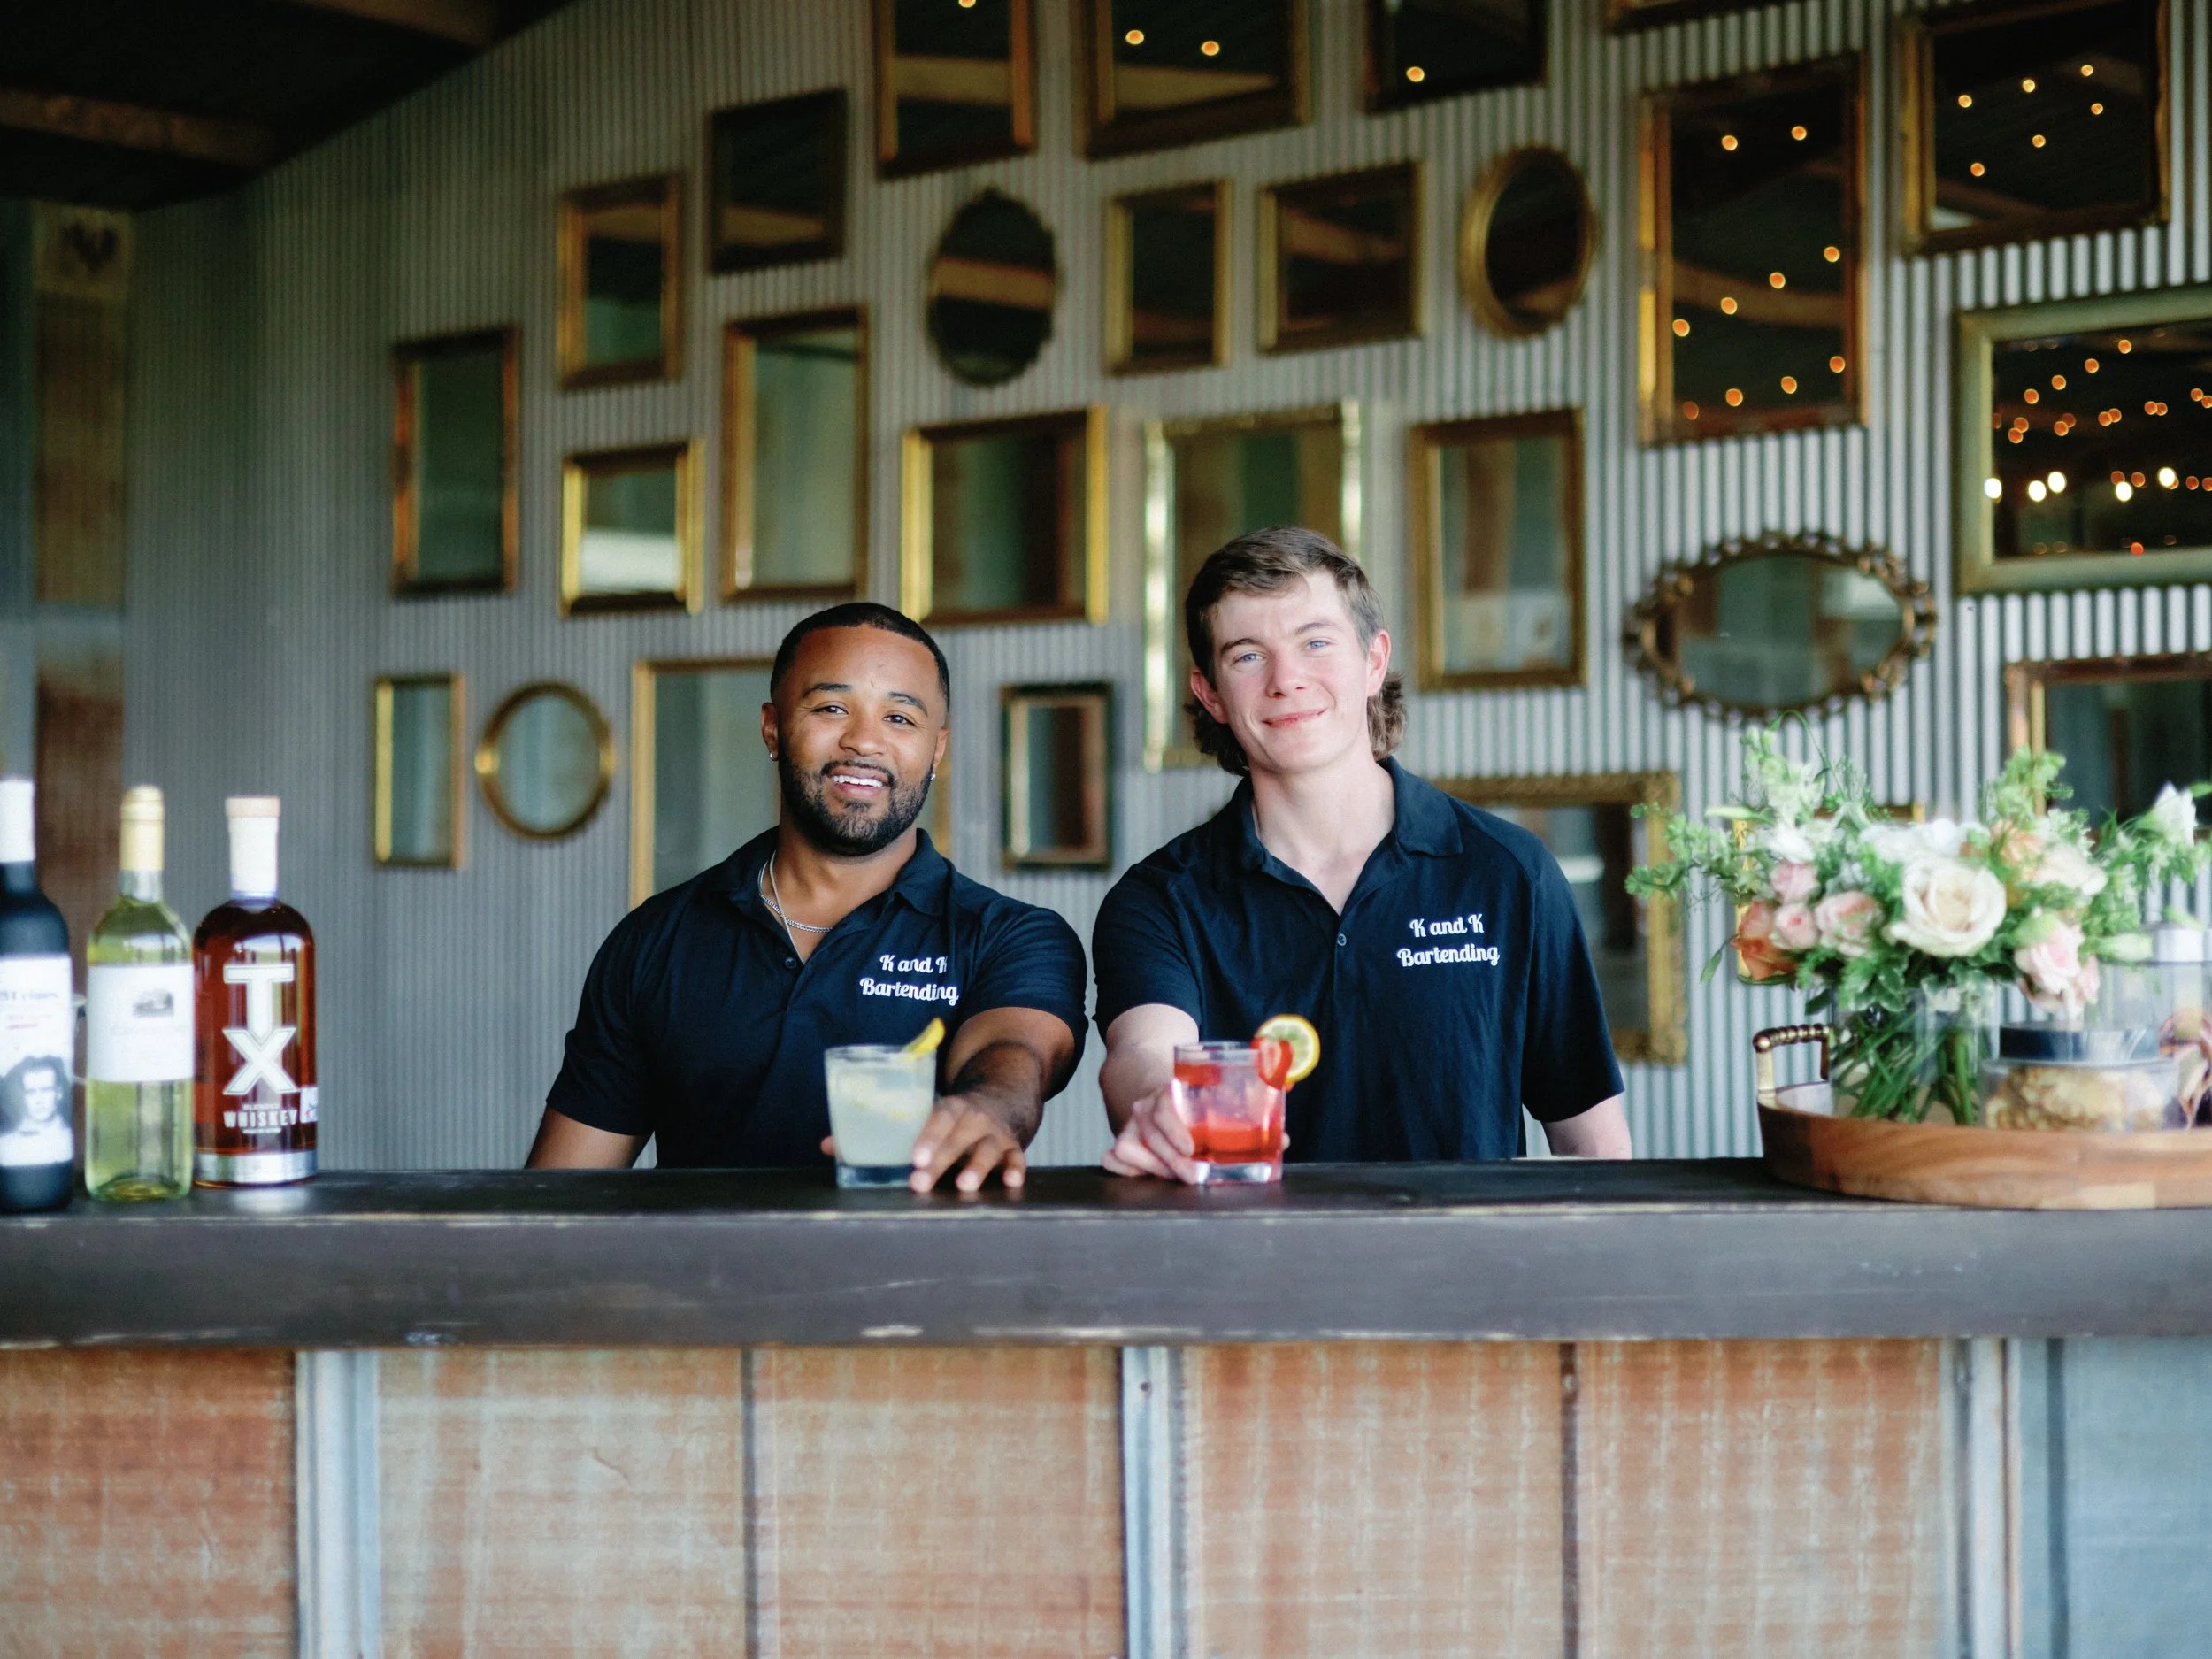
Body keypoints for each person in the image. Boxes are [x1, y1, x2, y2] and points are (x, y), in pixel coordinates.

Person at [1094, 526, 1632, 1179]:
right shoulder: (1160, 898)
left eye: (1315, 643)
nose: (1286, 680)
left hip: (1471, 1274)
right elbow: (1143, 1049)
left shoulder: (1507, 870)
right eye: (1246, 656)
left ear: (1373, 661)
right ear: (1210, 694)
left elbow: (1592, 1142)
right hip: (1250, 1275)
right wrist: (1158, 1103)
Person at [528, 603, 1087, 1193]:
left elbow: (1013, 1050)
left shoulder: (1010, 936)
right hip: (704, 1281)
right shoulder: (655, 940)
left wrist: (988, 1108)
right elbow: (557, 1198)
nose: (864, 740)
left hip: (919, 1284)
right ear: (773, 726)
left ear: (936, 750)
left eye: (900, 718)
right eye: (831, 708)